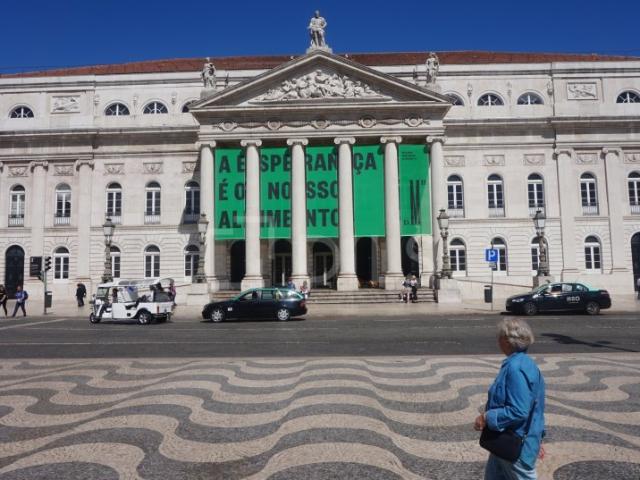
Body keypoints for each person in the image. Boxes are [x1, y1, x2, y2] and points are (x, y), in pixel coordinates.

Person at [474, 318, 545, 480]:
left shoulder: (516, 369)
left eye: (499, 337)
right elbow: (535, 406)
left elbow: (519, 410)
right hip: (503, 442)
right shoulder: (526, 363)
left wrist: (486, 418)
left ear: (507, 341)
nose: (497, 341)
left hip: (515, 445)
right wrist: (537, 438)